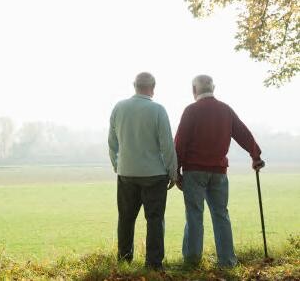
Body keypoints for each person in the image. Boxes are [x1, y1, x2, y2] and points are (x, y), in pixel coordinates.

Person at [175, 75, 265, 267]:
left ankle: (192, 261)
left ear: (194, 89)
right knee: (220, 214)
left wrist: (176, 170)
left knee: (194, 215)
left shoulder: (191, 110)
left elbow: (180, 142)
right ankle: (227, 261)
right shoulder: (225, 110)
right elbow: (242, 132)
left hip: (195, 171)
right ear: (213, 88)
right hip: (219, 172)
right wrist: (255, 155)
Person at [108, 72, 178, 270]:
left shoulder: (119, 107)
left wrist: (117, 165)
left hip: (126, 173)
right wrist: (172, 172)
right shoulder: (158, 110)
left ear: (134, 85)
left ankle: (124, 261)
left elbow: (112, 142)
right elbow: (167, 145)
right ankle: (154, 264)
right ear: (153, 87)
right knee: (155, 220)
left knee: (126, 218)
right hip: (154, 175)